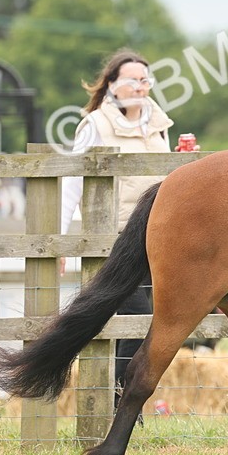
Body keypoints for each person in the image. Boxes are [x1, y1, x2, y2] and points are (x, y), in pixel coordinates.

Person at [60, 50, 174, 399]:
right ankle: (117, 396)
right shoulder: (95, 125)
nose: (140, 87)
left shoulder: (159, 124)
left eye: (144, 81)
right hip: (115, 240)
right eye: (131, 81)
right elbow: (71, 184)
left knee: (151, 322)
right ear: (112, 85)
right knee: (137, 319)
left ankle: (120, 399)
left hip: (157, 237)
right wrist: (59, 241)